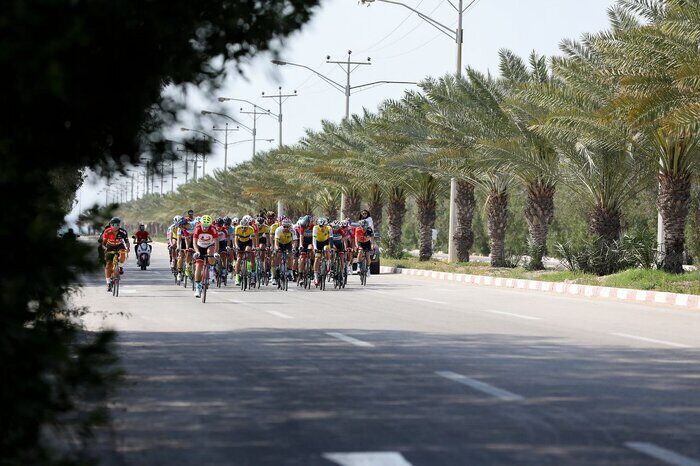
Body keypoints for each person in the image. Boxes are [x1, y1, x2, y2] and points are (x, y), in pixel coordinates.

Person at [100, 217, 130, 291]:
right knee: (108, 265)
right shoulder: (107, 231)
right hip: (110, 246)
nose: (116, 226)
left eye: (118, 224)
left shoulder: (123, 232)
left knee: (123, 254)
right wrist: (104, 248)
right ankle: (108, 283)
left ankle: (120, 267)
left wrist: (128, 248)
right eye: (114, 224)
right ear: (111, 225)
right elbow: (103, 243)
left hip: (119, 245)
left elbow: (126, 241)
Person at [192, 215, 219, 298]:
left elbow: (217, 242)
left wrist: (215, 253)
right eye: (204, 226)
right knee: (198, 266)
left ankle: (211, 268)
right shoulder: (197, 228)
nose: (205, 228)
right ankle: (197, 287)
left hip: (210, 245)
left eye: (207, 226)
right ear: (201, 223)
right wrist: (196, 252)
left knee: (210, 253)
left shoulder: (213, 229)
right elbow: (194, 242)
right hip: (200, 246)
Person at [234, 215, 257, 286]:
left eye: (245, 228)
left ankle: (252, 273)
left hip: (248, 242)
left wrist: (253, 246)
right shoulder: (237, 228)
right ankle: (237, 276)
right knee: (238, 259)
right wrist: (237, 246)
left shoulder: (251, 229)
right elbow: (236, 239)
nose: (244, 229)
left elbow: (253, 239)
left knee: (248, 251)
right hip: (240, 242)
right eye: (242, 227)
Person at [273, 217, 296, 285]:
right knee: (278, 254)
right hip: (279, 243)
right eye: (284, 226)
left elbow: (294, 241)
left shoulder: (292, 230)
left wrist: (294, 248)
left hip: (288, 244)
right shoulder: (278, 230)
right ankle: (277, 268)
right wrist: (277, 248)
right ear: (282, 225)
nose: (286, 228)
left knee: (290, 255)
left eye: (288, 226)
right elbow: (276, 242)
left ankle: (289, 271)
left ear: (290, 226)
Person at [294, 215, 314, 283]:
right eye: (304, 227)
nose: (305, 228)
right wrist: (301, 246)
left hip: (311, 242)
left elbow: (315, 238)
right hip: (304, 242)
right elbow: (301, 237)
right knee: (302, 258)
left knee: (311, 249)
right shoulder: (301, 227)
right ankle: (300, 274)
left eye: (307, 227)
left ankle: (312, 264)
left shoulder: (313, 227)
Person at [312, 217, 332, 286]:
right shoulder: (315, 228)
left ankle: (328, 262)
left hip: (325, 242)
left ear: (326, 225)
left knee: (327, 248)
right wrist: (315, 248)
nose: (322, 228)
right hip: (318, 243)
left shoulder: (329, 228)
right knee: (317, 258)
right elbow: (314, 239)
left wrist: (331, 247)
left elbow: (331, 239)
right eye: (320, 226)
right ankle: (315, 275)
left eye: (323, 226)